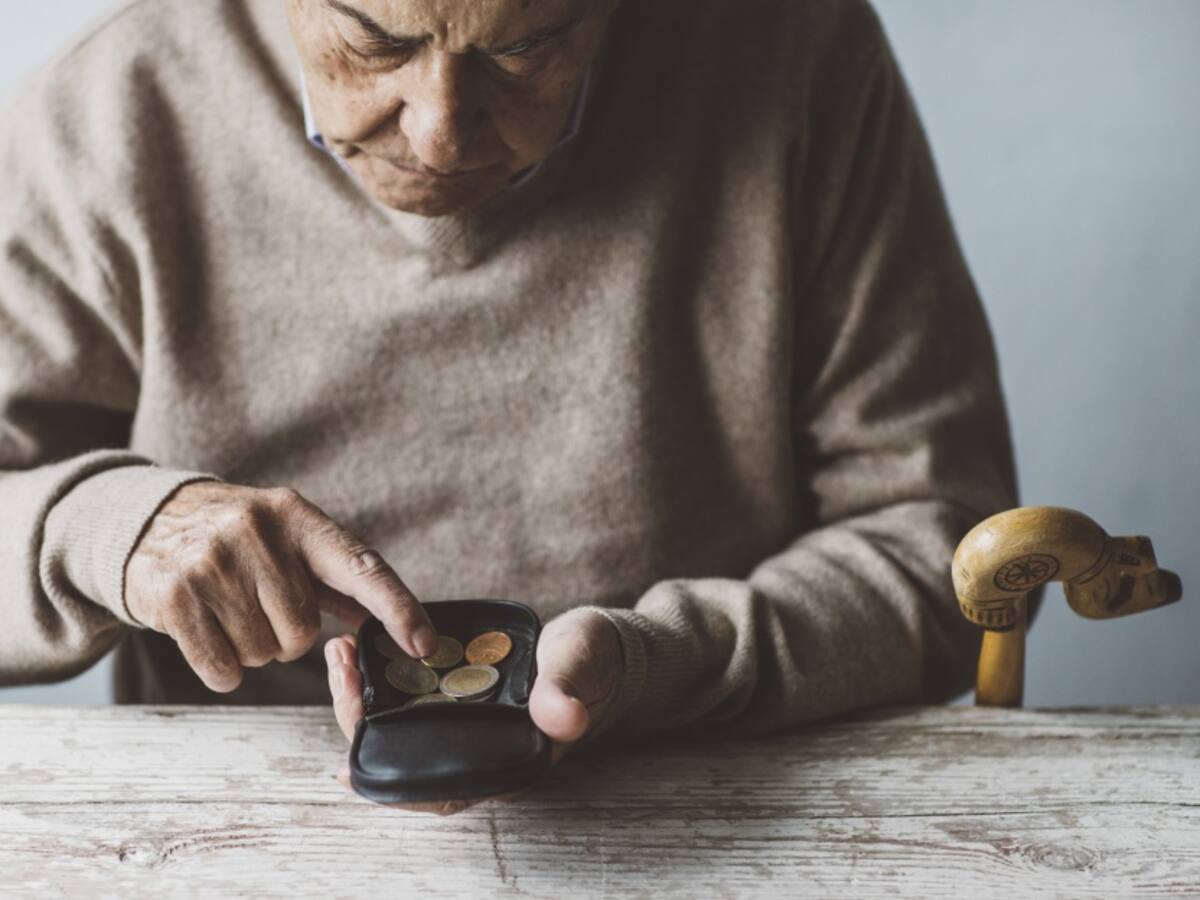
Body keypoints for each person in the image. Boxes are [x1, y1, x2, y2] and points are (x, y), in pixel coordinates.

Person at [0, 0, 1023, 809]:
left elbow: (951, 558)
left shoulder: (798, 57)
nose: (441, 133)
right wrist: (106, 530)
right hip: (239, 826)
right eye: (374, 38)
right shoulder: (111, 107)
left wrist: (665, 663)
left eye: (529, 45)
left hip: (723, 799)